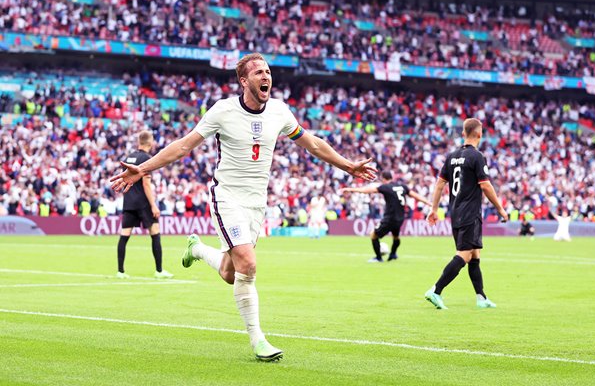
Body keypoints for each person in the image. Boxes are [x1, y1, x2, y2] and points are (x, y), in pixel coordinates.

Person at [110, 53, 377, 362]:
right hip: (226, 196)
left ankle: (196, 250)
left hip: (255, 203)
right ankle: (258, 340)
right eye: (259, 72)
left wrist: (347, 166)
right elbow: (183, 146)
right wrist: (143, 169)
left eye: (268, 71)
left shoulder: (279, 112)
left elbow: (313, 143)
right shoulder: (222, 111)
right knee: (248, 264)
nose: (266, 76)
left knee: (230, 272)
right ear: (244, 81)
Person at [424, 118, 508, 309]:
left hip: (456, 212)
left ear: (463, 134)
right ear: (480, 134)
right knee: (464, 255)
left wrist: (434, 209)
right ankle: (436, 291)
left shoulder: (452, 156)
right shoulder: (477, 157)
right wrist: (500, 209)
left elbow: (439, 184)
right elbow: (485, 185)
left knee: (474, 255)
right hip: (470, 213)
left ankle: (481, 297)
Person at [116, 130, 173, 280]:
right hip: (143, 202)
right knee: (155, 233)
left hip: (129, 201)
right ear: (150, 142)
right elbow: (146, 184)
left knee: (124, 235)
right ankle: (159, 271)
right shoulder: (146, 159)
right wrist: (153, 205)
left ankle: (120, 271)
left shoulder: (128, 157)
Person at [340, 170, 431, 262]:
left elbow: (367, 190)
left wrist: (351, 189)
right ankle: (393, 254)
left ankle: (378, 258)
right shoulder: (402, 186)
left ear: (383, 178)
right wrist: (429, 203)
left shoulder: (386, 187)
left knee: (373, 235)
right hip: (400, 218)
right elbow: (415, 195)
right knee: (396, 237)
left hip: (390, 218)